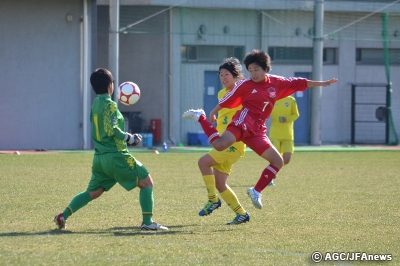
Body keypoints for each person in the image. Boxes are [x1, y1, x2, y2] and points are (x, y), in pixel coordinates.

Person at [183, 49, 338, 210]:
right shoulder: (246, 85)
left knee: (278, 161)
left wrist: (323, 83)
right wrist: (212, 112)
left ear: (265, 69)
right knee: (220, 145)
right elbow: (228, 99)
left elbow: (300, 82)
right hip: (243, 121)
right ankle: (200, 118)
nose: (253, 74)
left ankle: (256, 191)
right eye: (250, 70)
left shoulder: (276, 83)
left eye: (256, 70)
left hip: (257, 130)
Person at [54, 68, 168, 231]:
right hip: (116, 156)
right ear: (110, 85)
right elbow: (112, 129)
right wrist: (131, 138)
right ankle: (148, 223)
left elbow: (98, 125)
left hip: (100, 158)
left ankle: (63, 215)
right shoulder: (110, 104)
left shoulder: (95, 104)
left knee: (93, 192)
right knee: (147, 182)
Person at [197, 57, 250, 225]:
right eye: (221, 74)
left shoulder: (242, 92)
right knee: (220, 184)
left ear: (235, 76)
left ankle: (213, 200)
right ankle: (241, 213)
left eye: (227, 74)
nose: (223, 77)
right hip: (223, 141)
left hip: (234, 143)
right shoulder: (221, 94)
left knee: (203, 162)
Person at [268, 95, 300, 185]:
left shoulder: (291, 100)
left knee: (287, 159)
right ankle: (269, 177)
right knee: (274, 157)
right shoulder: (273, 99)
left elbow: (296, 114)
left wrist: (287, 118)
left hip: (288, 134)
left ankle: (272, 171)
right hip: (275, 133)